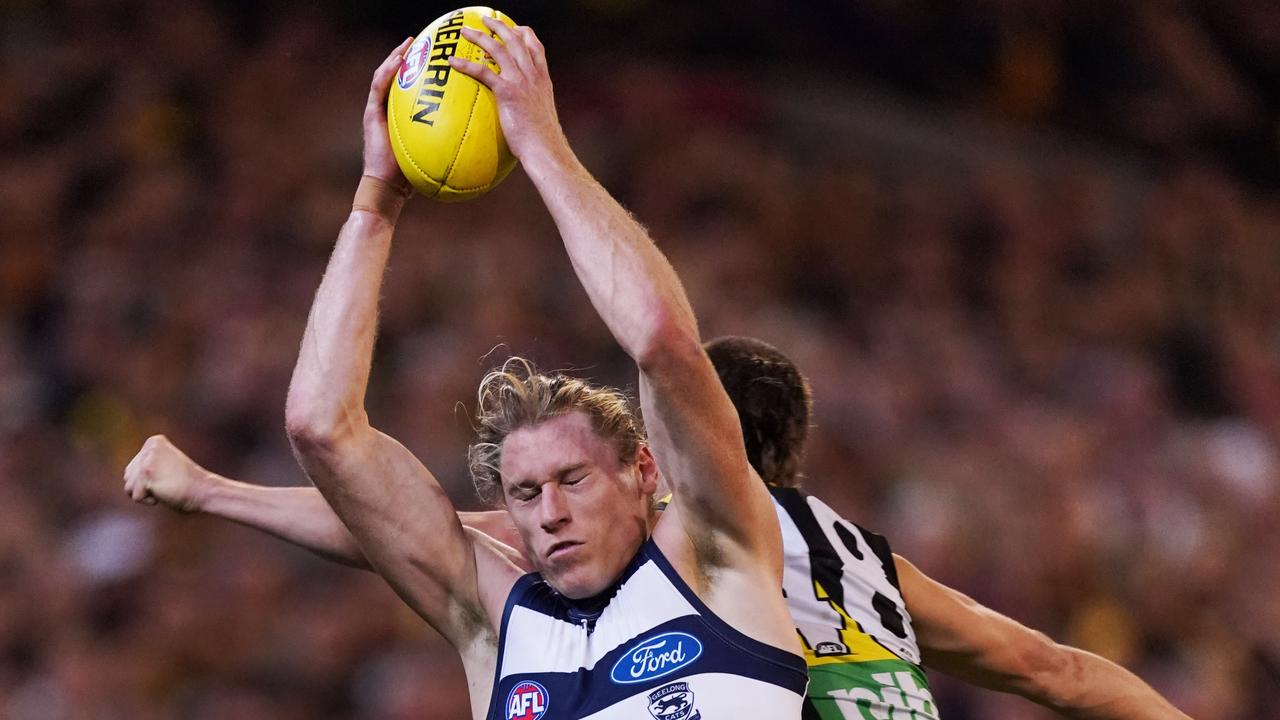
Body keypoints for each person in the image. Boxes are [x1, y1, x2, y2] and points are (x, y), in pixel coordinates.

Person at [127, 337, 1195, 720]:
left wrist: (214, 492)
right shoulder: (860, 558)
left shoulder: (685, 543)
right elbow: (1051, 669)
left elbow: (400, 530)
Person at [250, 21, 806, 720]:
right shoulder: (495, 623)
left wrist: (542, 144)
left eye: (573, 479)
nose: (550, 515)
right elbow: (319, 427)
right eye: (525, 492)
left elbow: (662, 339)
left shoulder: (718, 555)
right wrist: (376, 198)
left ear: (643, 470)